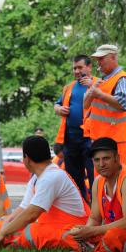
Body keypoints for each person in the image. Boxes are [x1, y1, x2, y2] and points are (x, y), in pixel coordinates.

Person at [0, 136, 90, 251]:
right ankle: (14, 243)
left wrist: (3, 233)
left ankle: (82, 246)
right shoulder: (36, 178)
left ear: (26, 158)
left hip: (72, 229)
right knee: (2, 222)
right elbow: (24, 208)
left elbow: (32, 214)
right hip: (51, 227)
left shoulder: (51, 177)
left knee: (32, 231)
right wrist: (5, 226)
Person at [85, 44, 126, 167]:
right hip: (101, 139)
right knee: (101, 181)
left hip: (116, 141)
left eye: (101, 59)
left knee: (120, 179)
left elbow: (124, 104)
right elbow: (86, 106)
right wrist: (92, 92)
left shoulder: (122, 79)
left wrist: (99, 94)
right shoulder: (102, 81)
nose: (98, 63)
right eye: (97, 60)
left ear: (112, 57)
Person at [54, 55, 96, 200]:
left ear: (89, 67)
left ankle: (96, 209)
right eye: (74, 68)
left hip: (90, 139)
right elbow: (57, 104)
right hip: (70, 139)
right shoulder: (69, 87)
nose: (77, 71)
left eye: (80, 67)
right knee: (73, 178)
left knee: (94, 176)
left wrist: (92, 86)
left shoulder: (99, 84)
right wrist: (58, 109)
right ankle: (81, 208)